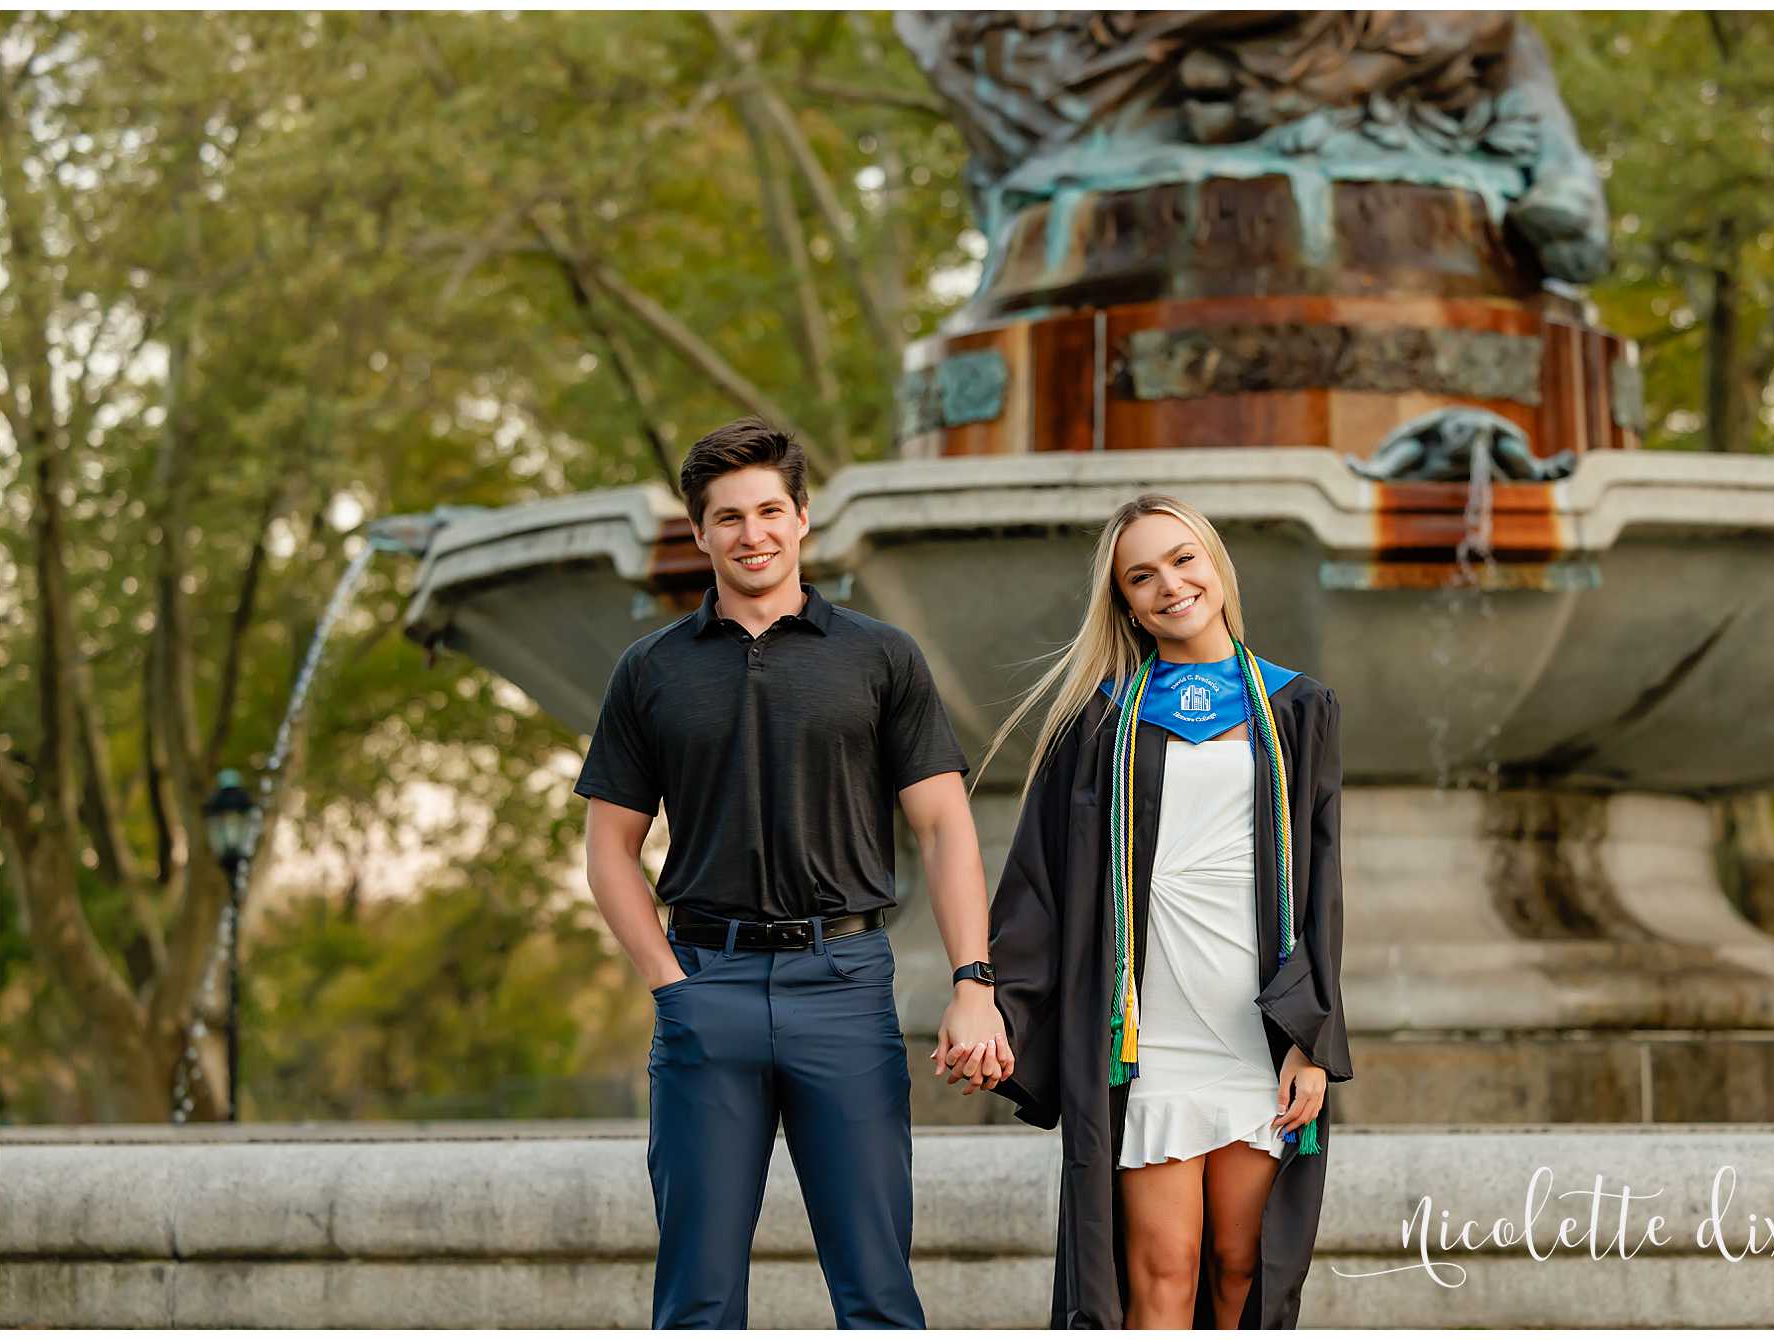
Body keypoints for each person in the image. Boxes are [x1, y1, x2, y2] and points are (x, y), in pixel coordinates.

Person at [575, 417, 1009, 1329]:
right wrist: (669, 985)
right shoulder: (648, 671)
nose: (752, 533)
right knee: (695, 1298)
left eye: (770, 510)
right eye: (728, 518)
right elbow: (609, 849)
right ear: (699, 534)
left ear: (803, 517)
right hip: (706, 986)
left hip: (844, 985)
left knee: (879, 1293)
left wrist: (974, 982)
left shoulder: (880, 656)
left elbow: (942, 828)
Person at [952, 493, 1353, 1328]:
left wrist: (1312, 1040)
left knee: (1245, 1270)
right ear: (1125, 602)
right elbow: (1039, 884)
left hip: (1258, 1033)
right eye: (1142, 576)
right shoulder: (1100, 720)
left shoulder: (1297, 708)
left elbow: (1321, 891)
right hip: (1149, 1033)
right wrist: (988, 999)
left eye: (1182, 559)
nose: (1170, 584)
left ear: (1215, 564)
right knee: (1160, 1276)